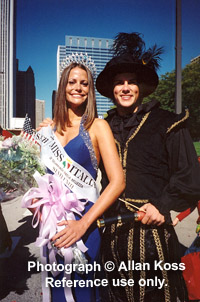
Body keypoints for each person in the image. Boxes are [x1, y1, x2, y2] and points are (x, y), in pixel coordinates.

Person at [95, 33, 200, 302]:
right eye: (119, 83)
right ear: (112, 90)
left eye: (131, 82)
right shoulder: (104, 127)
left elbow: (190, 177)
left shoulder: (167, 123)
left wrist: (162, 206)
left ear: (140, 86)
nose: (125, 88)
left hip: (153, 235)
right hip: (114, 234)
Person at [33, 54, 125, 302]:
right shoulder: (48, 129)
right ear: (63, 86)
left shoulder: (98, 126)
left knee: (82, 291)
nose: (78, 88)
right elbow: (39, 178)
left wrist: (83, 225)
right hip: (52, 225)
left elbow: (118, 182)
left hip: (83, 225)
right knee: (56, 290)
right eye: (72, 82)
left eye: (84, 83)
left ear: (90, 90)